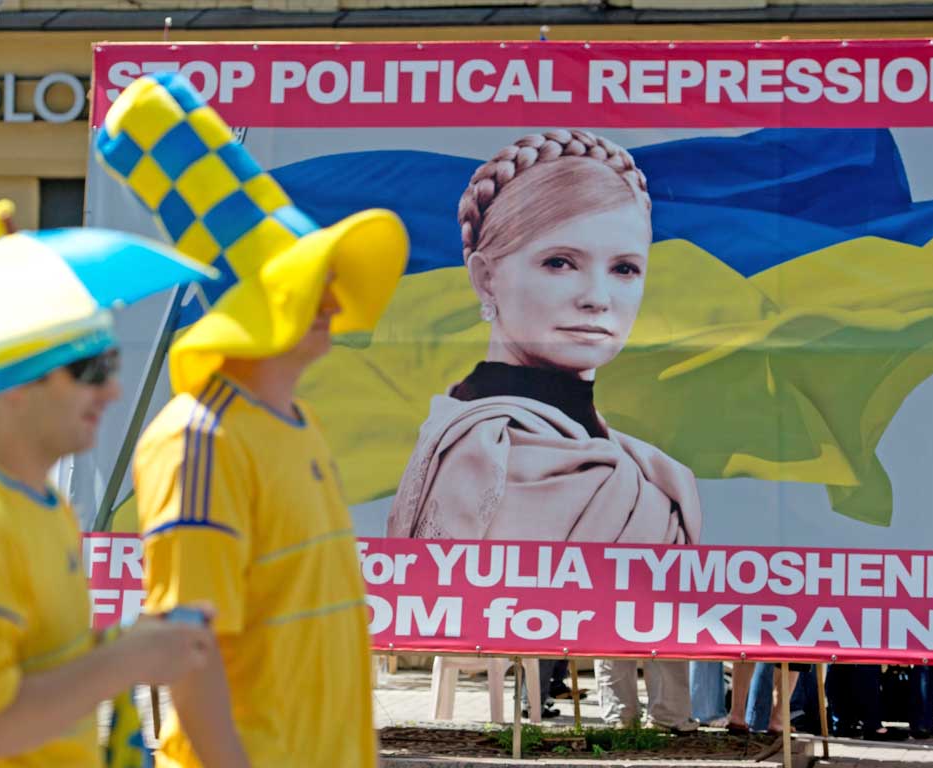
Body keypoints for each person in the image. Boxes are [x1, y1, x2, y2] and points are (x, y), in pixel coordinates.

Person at [97, 72, 410, 768]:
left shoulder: (296, 425)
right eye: (311, 280)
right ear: (264, 306)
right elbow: (188, 647)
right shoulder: (199, 440)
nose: (335, 299)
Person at [387, 128, 702, 731]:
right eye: (560, 262)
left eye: (625, 268)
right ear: (485, 278)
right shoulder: (478, 449)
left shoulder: (646, 468)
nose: (597, 298)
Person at [0, 223, 221, 766]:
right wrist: (126, 661)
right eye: (89, 369)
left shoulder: (43, 505)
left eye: (110, 363)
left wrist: (132, 645)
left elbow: (43, 664)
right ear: (15, 382)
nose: (112, 390)